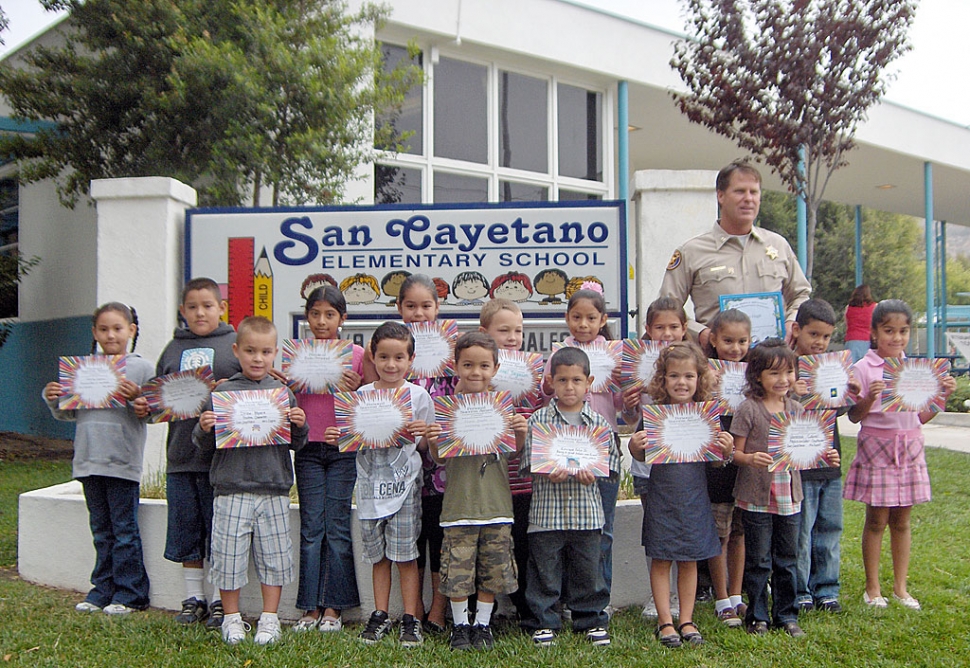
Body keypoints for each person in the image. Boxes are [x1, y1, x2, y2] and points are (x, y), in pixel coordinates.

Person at [193, 316, 309, 645]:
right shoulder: (222, 393)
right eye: (250, 351)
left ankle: (269, 620)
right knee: (228, 557)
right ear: (236, 351)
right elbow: (201, 446)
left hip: (273, 487)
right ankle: (232, 619)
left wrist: (299, 425)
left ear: (275, 354)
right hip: (230, 488)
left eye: (265, 352)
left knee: (274, 557)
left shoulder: (283, 394)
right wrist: (204, 428)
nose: (258, 358)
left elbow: (296, 444)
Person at [43, 303, 154, 615]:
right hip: (89, 460)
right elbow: (69, 414)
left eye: (118, 328)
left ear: (131, 330)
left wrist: (138, 400)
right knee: (101, 531)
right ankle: (101, 590)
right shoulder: (83, 370)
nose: (111, 335)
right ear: (94, 333)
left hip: (122, 461)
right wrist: (54, 398)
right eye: (103, 329)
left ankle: (130, 594)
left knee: (124, 531)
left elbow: (154, 412)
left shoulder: (142, 368)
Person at [845, 299, 955, 610]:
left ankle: (900, 587)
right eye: (889, 331)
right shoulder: (863, 368)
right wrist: (869, 397)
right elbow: (855, 416)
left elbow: (920, 417)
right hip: (876, 448)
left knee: (903, 521)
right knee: (877, 519)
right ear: (874, 333)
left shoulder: (916, 370)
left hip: (909, 447)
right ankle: (872, 587)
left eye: (903, 331)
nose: (896, 338)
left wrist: (942, 395)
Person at [426, 332, 528, 651]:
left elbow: (512, 452)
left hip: (496, 505)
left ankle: (482, 625)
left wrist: (520, 434)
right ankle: (460, 625)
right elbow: (439, 457)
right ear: (455, 366)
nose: (475, 372)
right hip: (459, 506)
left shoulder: (503, 408)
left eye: (484, 365)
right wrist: (432, 439)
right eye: (468, 364)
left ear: (495, 368)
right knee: (457, 570)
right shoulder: (448, 410)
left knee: (492, 569)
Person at [732, 340, 839, 638]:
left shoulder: (797, 408)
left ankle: (786, 614)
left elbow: (806, 451)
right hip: (756, 498)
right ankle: (757, 616)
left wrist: (826, 455)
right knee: (758, 560)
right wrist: (750, 459)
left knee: (787, 557)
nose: (783, 380)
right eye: (774, 374)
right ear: (757, 377)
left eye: (788, 372)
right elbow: (734, 454)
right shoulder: (748, 409)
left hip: (790, 498)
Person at [629, 342, 733, 647]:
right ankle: (665, 621)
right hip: (662, 496)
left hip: (695, 498)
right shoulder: (655, 415)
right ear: (662, 380)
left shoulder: (705, 416)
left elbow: (716, 460)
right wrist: (635, 445)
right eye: (674, 376)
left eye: (689, 376)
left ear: (700, 379)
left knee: (689, 560)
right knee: (661, 559)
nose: (682, 382)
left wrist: (726, 450)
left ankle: (686, 619)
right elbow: (638, 450)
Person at [155, 277, 241, 629]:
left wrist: (229, 391)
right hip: (180, 455)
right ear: (182, 311)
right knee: (186, 528)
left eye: (208, 305)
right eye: (193, 307)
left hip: (221, 459)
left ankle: (222, 600)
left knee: (218, 531)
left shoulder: (235, 345)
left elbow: (255, 385)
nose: (200, 312)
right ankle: (194, 598)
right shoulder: (171, 351)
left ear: (222, 307)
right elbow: (153, 402)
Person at [543, 286, 634, 598]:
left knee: (602, 528)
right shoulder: (558, 353)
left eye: (591, 318)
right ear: (567, 318)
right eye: (577, 317)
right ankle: (569, 597)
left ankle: (600, 596)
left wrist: (628, 390)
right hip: (563, 448)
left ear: (603, 319)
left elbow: (621, 403)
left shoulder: (613, 354)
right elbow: (546, 394)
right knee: (565, 528)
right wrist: (544, 382)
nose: (583, 324)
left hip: (603, 447)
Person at [659, 161, 812, 348]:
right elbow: (667, 307)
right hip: (715, 364)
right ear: (721, 196)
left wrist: (790, 322)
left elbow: (801, 293)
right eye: (740, 191)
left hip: (772, 362)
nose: (748, 199)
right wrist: (701, 333)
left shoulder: (778, 246)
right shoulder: (692, 251)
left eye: (754, 192)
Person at [521, 347, 613, 648]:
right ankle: (544, 621)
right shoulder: (539, 421)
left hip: (587, 514)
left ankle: (590, 619)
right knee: (544, 571)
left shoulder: (599, 425)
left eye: (576, 380)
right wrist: (545, 471)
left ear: (589, 382)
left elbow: (612, 467)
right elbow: (525, 464)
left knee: (588, 570)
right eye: (562, 380)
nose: (569, 387)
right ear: (551, 382)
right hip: (547, 514)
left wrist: (595, 473)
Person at [351, 322, 435, 647]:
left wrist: (423, 435)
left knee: (405, 556)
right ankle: (380, 614)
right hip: (371, 489)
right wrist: (340, 437)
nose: (391, 364)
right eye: (384, 357)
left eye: (399, 358)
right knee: (379, 557)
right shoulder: (361, 396)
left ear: (410, 360)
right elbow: (353, 439)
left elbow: (426, 449)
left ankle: (411, 619)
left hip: (404, 490)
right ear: (373, 357)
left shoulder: (419, 397)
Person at [289, 286, 363, 633]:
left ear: (342, 319)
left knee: (336, 527)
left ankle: (334, 607)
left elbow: (376, 399)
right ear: (307, 317)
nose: (322, 321)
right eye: (315, 313)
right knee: (311, 527)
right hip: (307, 451)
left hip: (343, 450)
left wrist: (358, 385)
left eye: (330, 314)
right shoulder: (296, 357)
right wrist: (284, 386)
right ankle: (308, 607)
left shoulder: (357, 355)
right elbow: (284, 402)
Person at [393, 273, 458, 633]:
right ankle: (412, 607)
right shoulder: (392, 349)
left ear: (438, 308)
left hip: (442, 462)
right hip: (402, 466)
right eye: (411, 306)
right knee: (411, 536)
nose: (419, 313)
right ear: (399, 308)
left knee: (438, 532)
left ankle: (437, 608)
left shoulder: (451, 347)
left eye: (426, 306)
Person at [790, 299, 860, 614]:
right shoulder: (785, 368)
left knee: (830, 526)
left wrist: (850, 392)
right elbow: (775, 410)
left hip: (830, 461)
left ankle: (827, 588)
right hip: (799, 463)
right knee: (802, 531)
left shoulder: (833, 367)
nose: (819, 343)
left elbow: (842, 410)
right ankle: (801, 589)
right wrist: (793, 392)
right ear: (797, 330)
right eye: (813, 334)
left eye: (826, 337)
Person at [623, 297, 688, 620]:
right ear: (647, 330)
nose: (666, 333)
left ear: (684, 329)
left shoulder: (693, 365)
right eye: (659, 327)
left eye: (673, 326)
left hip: (685, 466)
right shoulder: (639, 365)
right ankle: (660, 595)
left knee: (686, 529)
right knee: (657, 531)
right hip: (649, 464)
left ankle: (682, 594)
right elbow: (628, 416)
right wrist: (628, 402)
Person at [479, 298, 533, 623]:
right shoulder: (478, 372)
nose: (513, 337)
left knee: (524, 547)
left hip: (523, 480)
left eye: (518, 331)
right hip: (489, 483)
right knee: (488, 547)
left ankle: (528, 608)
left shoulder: (531, 371)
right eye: (504, 330)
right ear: (485, 333)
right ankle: (484, 608)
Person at [704, 309, 751, 627]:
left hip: (745, 463)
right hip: (717, 465)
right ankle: (721, 598)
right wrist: (710, 387)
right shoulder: (705, 372)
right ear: (713, 339)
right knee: (720, 533)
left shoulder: (753, 374)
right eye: (728, 341)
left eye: (742, 341)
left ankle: (737, 595)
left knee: (739, 532)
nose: (735, 348)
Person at [844, 285, 877, 363]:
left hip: (851, 341)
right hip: (868, 340)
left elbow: (847, 324)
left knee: (851, 369)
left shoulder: (848, 307)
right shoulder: (875, 307)